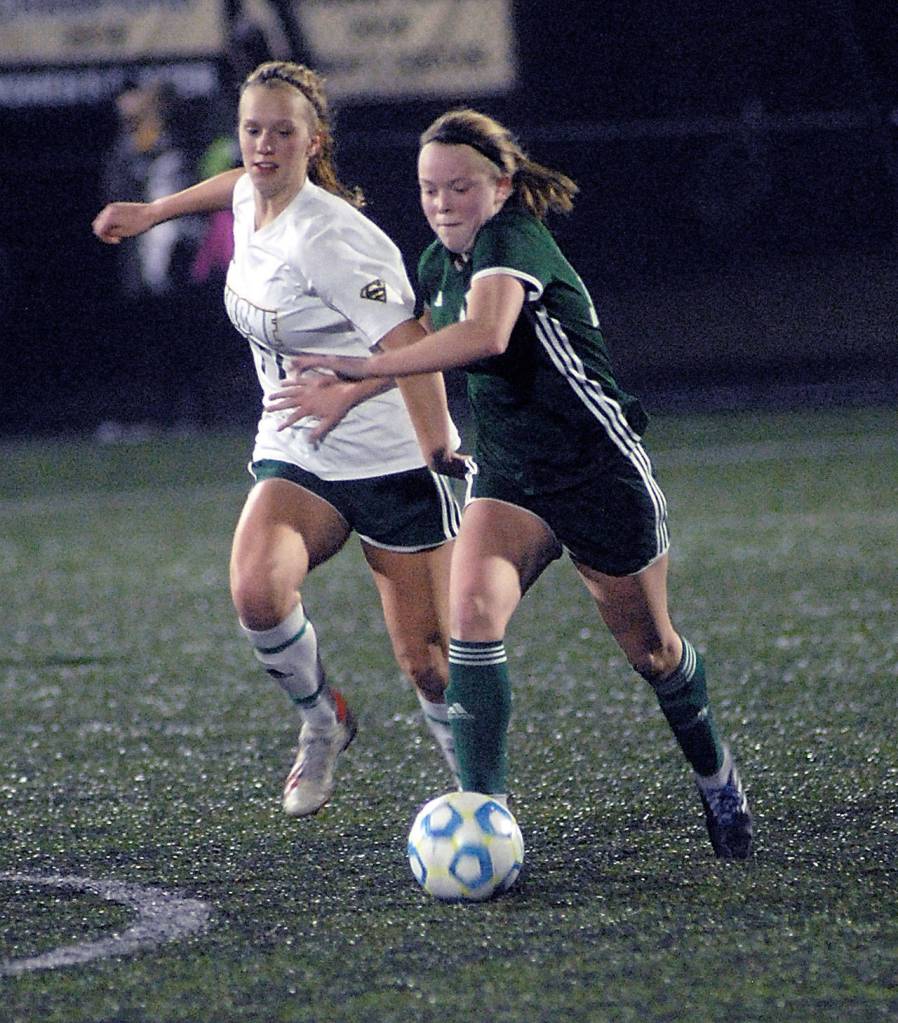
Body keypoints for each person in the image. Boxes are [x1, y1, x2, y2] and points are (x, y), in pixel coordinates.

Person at [274, 108, 755, 859]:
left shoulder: (514, 239)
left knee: (653, 651)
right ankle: (482, 811)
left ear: (499, 186)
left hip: (597, 473)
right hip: (510, 479)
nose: (441, 204)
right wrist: (353, 395)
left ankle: (717, 777)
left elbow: (486, 334)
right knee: (468, 615)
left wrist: (359, 369)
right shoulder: (437, 265)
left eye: (458, 188)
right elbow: (428, 347)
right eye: (429, 190)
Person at [92, 62, 468, 818]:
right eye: (252, 129)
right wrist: (152, 212)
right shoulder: (250, 190)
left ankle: (480, 795)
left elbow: (418, 342)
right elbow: (229, 183)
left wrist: (436, 452)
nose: (262, 146)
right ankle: (323, 720)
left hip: (393, 457)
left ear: (313, 140)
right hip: (301, 449)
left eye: (282, 133)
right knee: (258, 592)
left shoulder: (334, 238)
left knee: (428, 665)